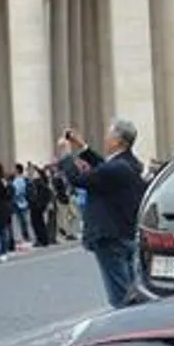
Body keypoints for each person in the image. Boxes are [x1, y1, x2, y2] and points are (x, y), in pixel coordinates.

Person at [58, 119, 146, 309]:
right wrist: (82, 147)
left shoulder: (117, 168)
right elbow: (103, 167)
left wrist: (66, 156)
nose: (105, 139)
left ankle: (126, 331)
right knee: (131, 290)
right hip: (124, 234)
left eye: (109, 135)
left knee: (120, 296)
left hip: (110, 236)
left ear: (118, 141)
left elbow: (79, 179)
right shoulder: (127, 164)